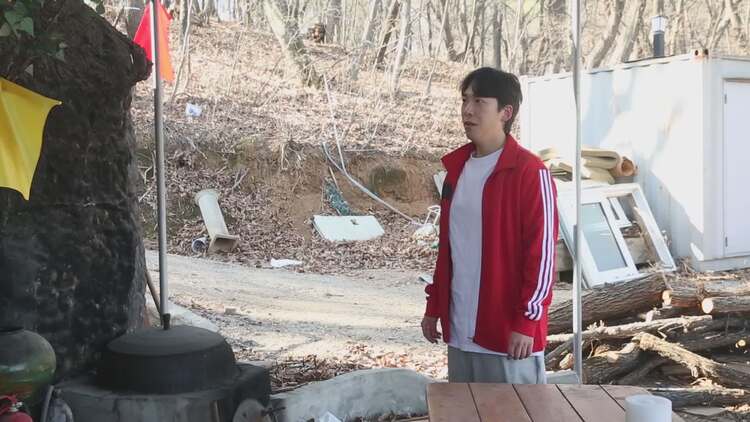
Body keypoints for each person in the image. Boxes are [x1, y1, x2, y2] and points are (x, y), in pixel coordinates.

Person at [421, 67, 559, 384]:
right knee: (463, 408)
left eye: (479, 101)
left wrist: (527, 321)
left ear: (505, 112)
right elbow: (449, 249)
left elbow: (542, 255)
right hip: (460, 331)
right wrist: (434, 306)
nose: (467, 110)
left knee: (514, 410)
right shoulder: (456, 170)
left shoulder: (530, 172)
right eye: (465, 100)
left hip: (509, 337)